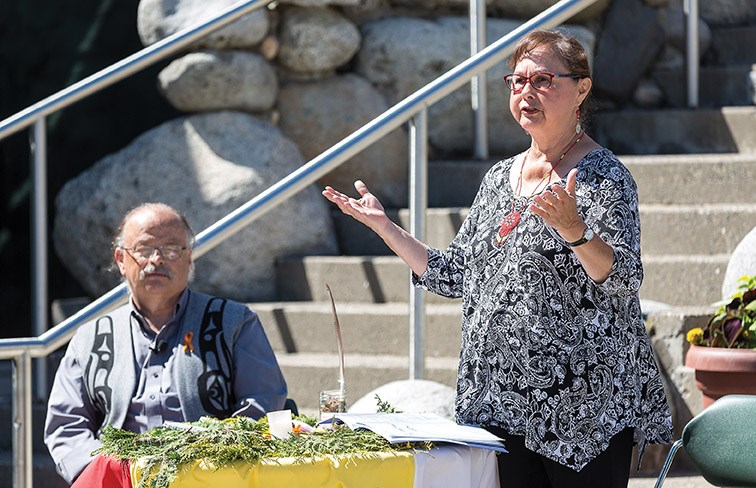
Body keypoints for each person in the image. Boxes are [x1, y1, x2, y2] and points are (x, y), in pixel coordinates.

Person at [322, 29, 672, 487]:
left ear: (581, 89)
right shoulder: (497, 179)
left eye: (543, 80)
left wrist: (576, 232)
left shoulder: (603, 175)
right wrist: (386, 229)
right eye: (517, 81)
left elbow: (624, 278)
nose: (527, 92)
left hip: (582, 412)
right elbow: (458, 274)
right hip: (500, 405)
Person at [44, 202, 288, 485]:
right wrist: (104, 471)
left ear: (189, 258)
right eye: (144, 249)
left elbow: (263, 403)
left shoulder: (235, 322)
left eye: (172, 249)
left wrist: (212, 460)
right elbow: (66, 424)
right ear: (121, 260)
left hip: (211, 477)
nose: (157, 260)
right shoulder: (90, 338)